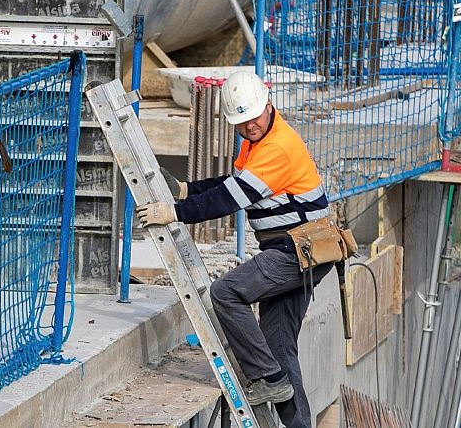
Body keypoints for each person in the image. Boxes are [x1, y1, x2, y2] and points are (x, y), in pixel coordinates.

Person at [136, 71, 332, 427]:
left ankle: (268, 378)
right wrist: (187, 190)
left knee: (225, 293)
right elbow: (232, 183)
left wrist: (174, 212)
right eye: (242, 122)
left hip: (297, 251)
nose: (249, 126)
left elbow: (229, 200)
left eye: (254, 118)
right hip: (301, 251)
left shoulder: (277, 147)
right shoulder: (258, 142)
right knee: (279, 348)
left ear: (268, 106)